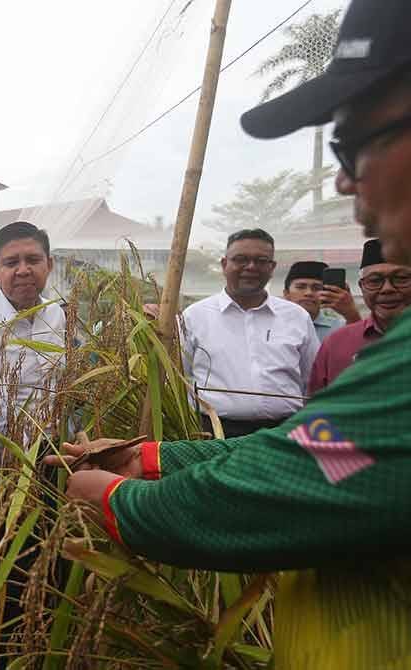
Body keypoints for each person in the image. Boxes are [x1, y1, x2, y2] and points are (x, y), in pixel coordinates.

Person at [52, 2, 411, 666]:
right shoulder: (377, 386)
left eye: (351, 139)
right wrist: (153, 458)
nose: (341, 178)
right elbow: (329, 448)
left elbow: (291, 477)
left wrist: (123, 503)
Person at [180, 229, 319, 437]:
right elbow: (180, 378)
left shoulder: (296, 316)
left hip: (285, 432)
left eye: (261, 260)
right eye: (241, 259)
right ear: (224, 264)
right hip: (214, 433)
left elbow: (313, 380)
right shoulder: (194, 316)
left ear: (272, 267)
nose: (251, 267)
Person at [0, 221, 66, 412]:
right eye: (11, 263)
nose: (24, 270)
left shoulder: (56, 314)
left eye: (33, 260)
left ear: (49, 264)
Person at [308, 238, 411, 394]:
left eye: (401, 278)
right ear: (362, 287)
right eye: (375, 281)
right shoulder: (336, 343)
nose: (387, 289)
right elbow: (315, 410)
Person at [281, 260, 346, 341]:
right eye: (301, 287)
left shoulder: (340, 328)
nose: (309, 293)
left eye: (317, 288)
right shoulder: (273, 325)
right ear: (286, 294)